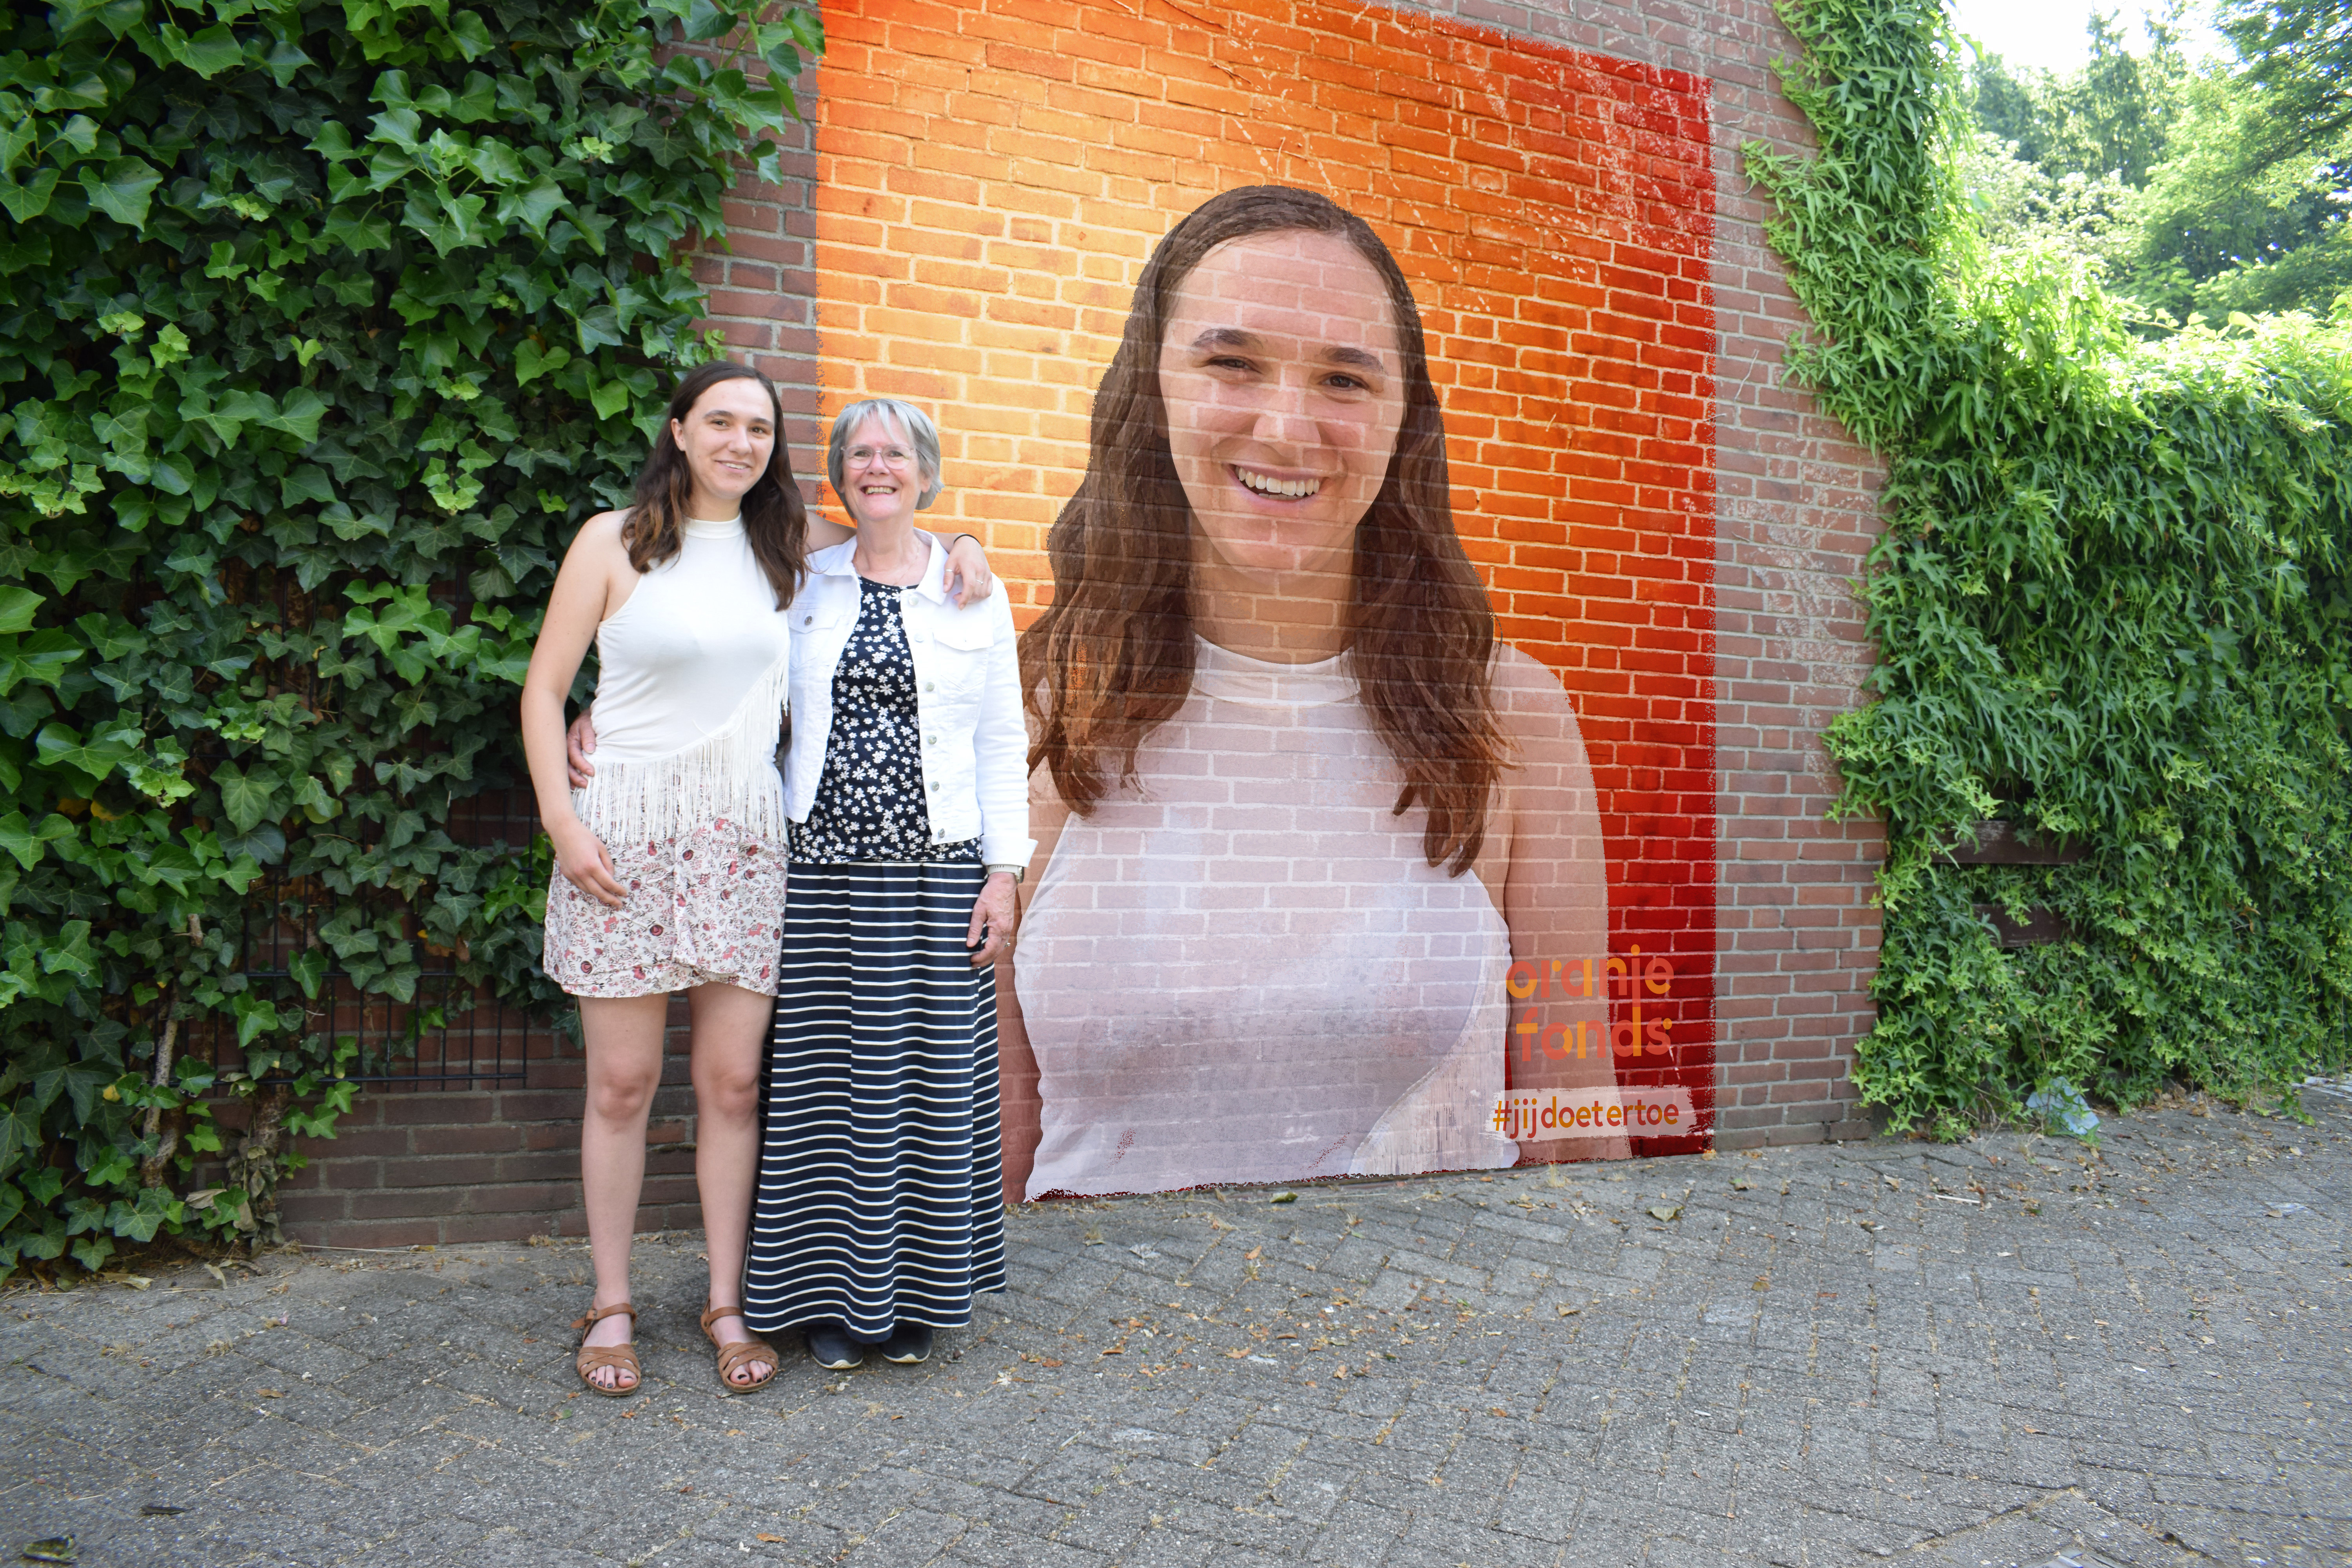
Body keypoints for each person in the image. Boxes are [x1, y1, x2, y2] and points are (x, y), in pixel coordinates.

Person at [1000, 184, 1620, 1201]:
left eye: (1343, 378)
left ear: (1403, 423)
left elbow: (1575, 1105)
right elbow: (993, 1130)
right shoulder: (1038, 707)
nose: (1288, 428)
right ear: (1152, 393)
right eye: (1232, 363)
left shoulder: (1512, 718)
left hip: (1446, 1299)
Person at [521, 363, 995, 1397]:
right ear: (679, 430)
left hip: (742, 840)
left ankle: (727, 1303)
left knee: (735, 1086)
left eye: (760, 429)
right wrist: (562, 820)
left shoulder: (791, 545)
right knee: (622, 1085)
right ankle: (611, 1305)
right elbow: (545, 687)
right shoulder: (611, 541)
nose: (740, 442)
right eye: (721, 422)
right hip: (622, 838)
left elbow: (894, 536)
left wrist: (966, 540)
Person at [736, 397, 1031, 1370]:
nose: (877, 466)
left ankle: (917, 1296)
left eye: (895, 453)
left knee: (927, 1089)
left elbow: (1001, 741)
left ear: (925, 472)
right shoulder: (804, 583)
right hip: (821, 874)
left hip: (939, 872)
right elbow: (733, 685)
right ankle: (826, 1296)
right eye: (859, 452)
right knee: (825, 1088)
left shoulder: (972, 590)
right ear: (840, 474)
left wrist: (1005, 874)